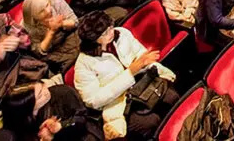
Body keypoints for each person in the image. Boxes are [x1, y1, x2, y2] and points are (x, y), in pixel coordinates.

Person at [73, 10, 177, 141]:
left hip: (143, 83)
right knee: (150, 122)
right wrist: (129, 73)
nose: (111, 32)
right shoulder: (84, 64)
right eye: (104, 33)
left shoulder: (121, 33)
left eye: (110, 27)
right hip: (120, 103)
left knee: (172, 96)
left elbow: (140, 53)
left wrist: (145, 64)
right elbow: (93, 100)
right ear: (93, 39)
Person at [0, 81, 99, 141]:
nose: (46, 91)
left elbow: (82, 118)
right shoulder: (17, 126)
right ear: (30, 108)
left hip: (81, 134)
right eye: (40, 95)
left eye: (42, 86)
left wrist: (61, 126)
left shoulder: (63, 92)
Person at [20, 0, 81, 74]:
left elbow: (75, 22)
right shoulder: (26, 27)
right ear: (34, 16)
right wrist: (51, 31)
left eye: (47, 5)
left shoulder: (57, 3)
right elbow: (39, 52)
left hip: (69, 36)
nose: (48, 10)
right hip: (52, 51)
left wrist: (61, 24)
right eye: (42, 11)